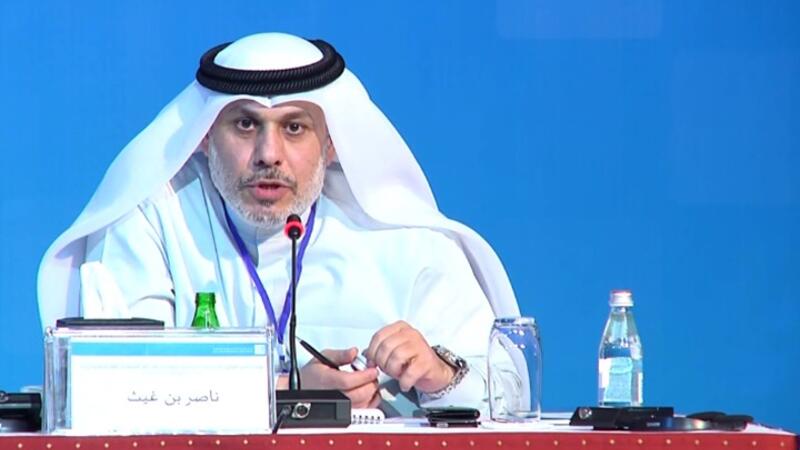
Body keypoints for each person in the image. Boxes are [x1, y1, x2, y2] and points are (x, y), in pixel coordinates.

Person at [37, 33, 519, 410]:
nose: (268, 154)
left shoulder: (401, 236)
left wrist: (439, 374)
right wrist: (287, 390)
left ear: (332, 144)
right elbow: (106, 384)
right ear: (204, 136)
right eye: (245, 124)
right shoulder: (152, 219)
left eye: (294, 127)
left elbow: (511, 391)